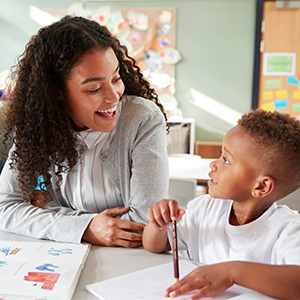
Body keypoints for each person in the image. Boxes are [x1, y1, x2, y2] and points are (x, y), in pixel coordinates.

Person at [0, 15, 169, 247]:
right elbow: (5, 207)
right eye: (94, 89)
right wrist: (87, 228)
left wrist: (50, 215)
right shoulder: (37, 126)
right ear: (58, 92)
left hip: (126, 263)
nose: (113, 97)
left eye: (116, 78)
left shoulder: (142, 119)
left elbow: (143, 224)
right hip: (60, 259)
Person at [143, 109, 300, 300]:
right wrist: (158, 224)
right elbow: (155, 245)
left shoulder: (288, 229)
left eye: (226, 160)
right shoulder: (204, 209)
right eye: (220, 154)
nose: (213, 165)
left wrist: (231, 272)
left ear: (261, 186)